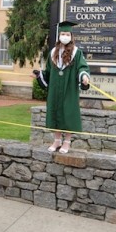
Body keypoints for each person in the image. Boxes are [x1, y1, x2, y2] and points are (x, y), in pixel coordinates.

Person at [32, 21, 91, 154]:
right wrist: (39, 75)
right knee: (56, 110)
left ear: (71, 36)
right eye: (62, 34)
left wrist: (84, 76)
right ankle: (57, 140)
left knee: (68, 112)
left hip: (69, 88)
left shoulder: (77, 53)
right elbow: (47, 71)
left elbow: (83, 67)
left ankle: (67, 142)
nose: (65, 36)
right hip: (55, 87)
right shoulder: (53, 52)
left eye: (67, 34)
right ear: (59, 36)